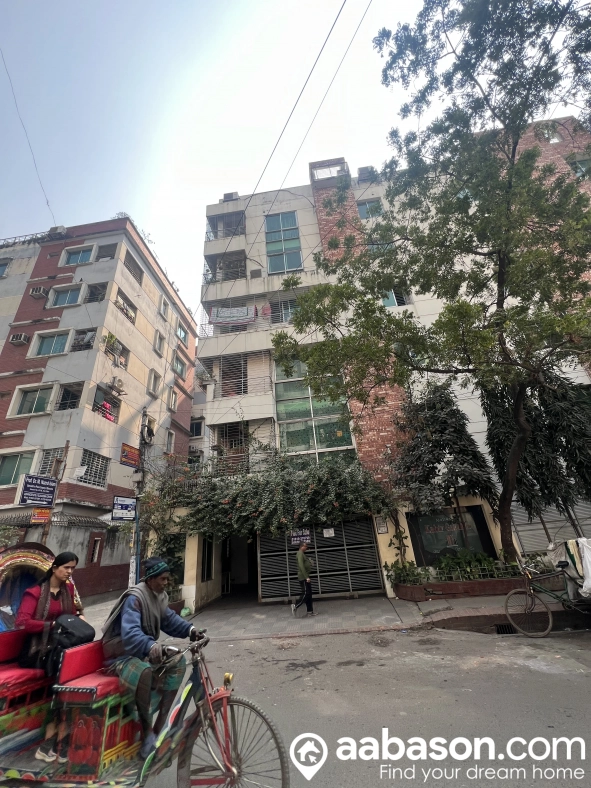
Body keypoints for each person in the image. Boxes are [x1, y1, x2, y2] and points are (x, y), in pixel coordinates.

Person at [102, 557, 202, 760]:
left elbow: (170, 619)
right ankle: (147, 733)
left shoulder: (158, 597)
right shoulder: (135, 599)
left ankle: (159, 728)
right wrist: (151, 646)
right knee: (145, 672)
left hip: (141, 652)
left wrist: (191, 630)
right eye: (162, 579)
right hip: (121, 655)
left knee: (178, 662)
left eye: (167, 578)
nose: (166, 582)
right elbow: (130, 634)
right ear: (150, 579)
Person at [16, 551, 84, 763]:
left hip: (58, 646)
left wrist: (79, 619)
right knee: (63, 664)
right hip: (35, 650)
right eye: (66, 567)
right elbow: (23, 623)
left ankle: (59, 732)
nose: (69, 572)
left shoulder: (68, 590)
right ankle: (54, 735)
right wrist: (52, 625)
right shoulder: (34, 593)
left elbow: (71, 616)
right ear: (54, 568)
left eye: (73, 568)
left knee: (76, 661)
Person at [291, 542, 318, 617]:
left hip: (306, 576)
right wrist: (306, 577)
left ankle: (310, 611)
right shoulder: (299, 554)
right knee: (306, 593)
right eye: (305, 546)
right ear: (301, 546)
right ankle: (295, 606)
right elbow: (301, 566)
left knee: (309, 594)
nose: (306, 547)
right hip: (303, 577)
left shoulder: (302, 554)